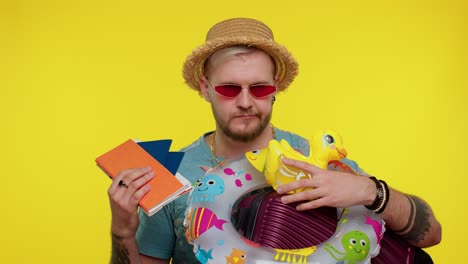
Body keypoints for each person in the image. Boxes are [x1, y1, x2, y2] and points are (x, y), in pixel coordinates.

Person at [107, 18, 441, 263]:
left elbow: (431, 235)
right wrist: (122, 232)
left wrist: (370, 190)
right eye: (228, 88)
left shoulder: (314, 159)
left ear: (276, 87)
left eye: (260, 88)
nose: (245, 101)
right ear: (205, 87)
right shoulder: (174, 175)